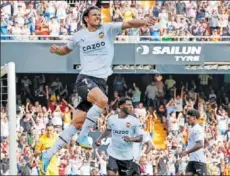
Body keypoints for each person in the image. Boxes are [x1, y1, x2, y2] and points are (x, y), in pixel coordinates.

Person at [40, 5, 155, 174]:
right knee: (103, 101)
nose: (98, 17)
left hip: (100, 83)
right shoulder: (80, 35)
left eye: (99, 15)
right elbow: (66, 49)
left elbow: (129, 23)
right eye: (94, 15)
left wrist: (143, 21)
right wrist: (57, 50)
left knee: (77, 123)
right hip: (85, 79)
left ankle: (48, 154)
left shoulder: (107, 29)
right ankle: (82, 137)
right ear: (86, 18)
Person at [95, 97, 143, 176]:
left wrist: (131, 139)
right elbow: (108, 129)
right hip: (113, 154)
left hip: (127, 157)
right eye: (128, 105)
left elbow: (140, 138)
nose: (131, 107)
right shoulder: (111, 119)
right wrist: (100, 138)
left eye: (132, 105)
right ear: (121, 106)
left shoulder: (135, 121)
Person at [179, 109, 207, 176]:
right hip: (192, 159)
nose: (187, 119)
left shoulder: (197, 128)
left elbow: (200, 144)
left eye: (188, 118)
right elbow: (206, 142)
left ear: (194, 118)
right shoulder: (192, 128)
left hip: (199, 161)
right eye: (186, 118)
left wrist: (186, 152)